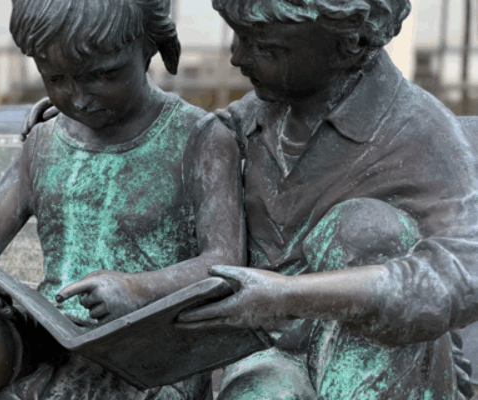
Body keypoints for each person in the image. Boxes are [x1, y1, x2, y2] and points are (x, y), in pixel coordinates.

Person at [0, 0, 244, 398]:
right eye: (57, 79)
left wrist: (139, 289)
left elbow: (226, 262)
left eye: (103, 75)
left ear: (150, 47)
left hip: (146, 353)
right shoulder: (45, 141)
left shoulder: (200, 139)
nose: (80, 98)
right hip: (48, 335)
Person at [175, 0, 478, 398]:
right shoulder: (240, 125)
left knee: (365, 230)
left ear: (346, 46)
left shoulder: (420, 131)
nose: (237, 57)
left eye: (267, 48)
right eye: (239, 36)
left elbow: (465, 272)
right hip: (270, 355)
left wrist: (289, 296)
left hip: (385, 363)